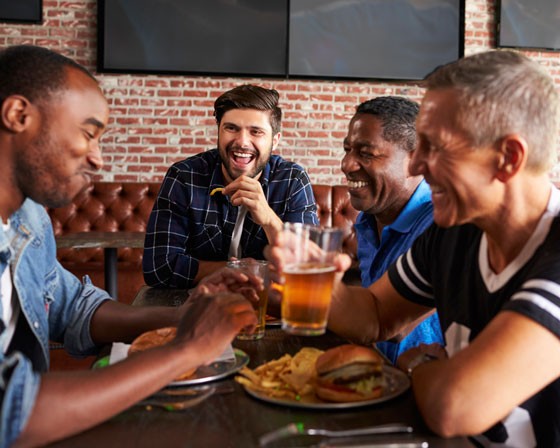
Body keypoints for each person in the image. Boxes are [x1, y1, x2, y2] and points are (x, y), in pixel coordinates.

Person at [268, 50, 560, 446]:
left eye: (436, 148)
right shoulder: (455, 233)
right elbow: (376, 315)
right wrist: (316, 283)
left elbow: (456, 407)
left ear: (508, 158)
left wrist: (415, 367)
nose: (417, 166)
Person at [0, 45, 259, 447]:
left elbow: (73, 308)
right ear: (18, 116)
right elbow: (9, 413)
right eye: (88, 134)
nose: (99, 159)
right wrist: (186, 350)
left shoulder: (29, 217)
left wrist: (182, 317)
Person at [143, 84, 318, 289]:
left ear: (275, 140)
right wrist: (241, 271)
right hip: (197, 307)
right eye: (231, 128)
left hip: (271, 311)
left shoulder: (293, 180)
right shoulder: (184, 177)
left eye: (256, 132)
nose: (242, 142)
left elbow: (309, 269)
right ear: (219, 132)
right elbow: (158, 268)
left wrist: (269, 219)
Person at [341, 96, 443, 364]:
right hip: (380, 376)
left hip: (424, 386)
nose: (346, 164)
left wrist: (293, 283)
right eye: (347, 150)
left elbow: (388, 327)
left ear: (416, 160)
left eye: (366, 153)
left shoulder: (440, 223)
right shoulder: (367, 218)